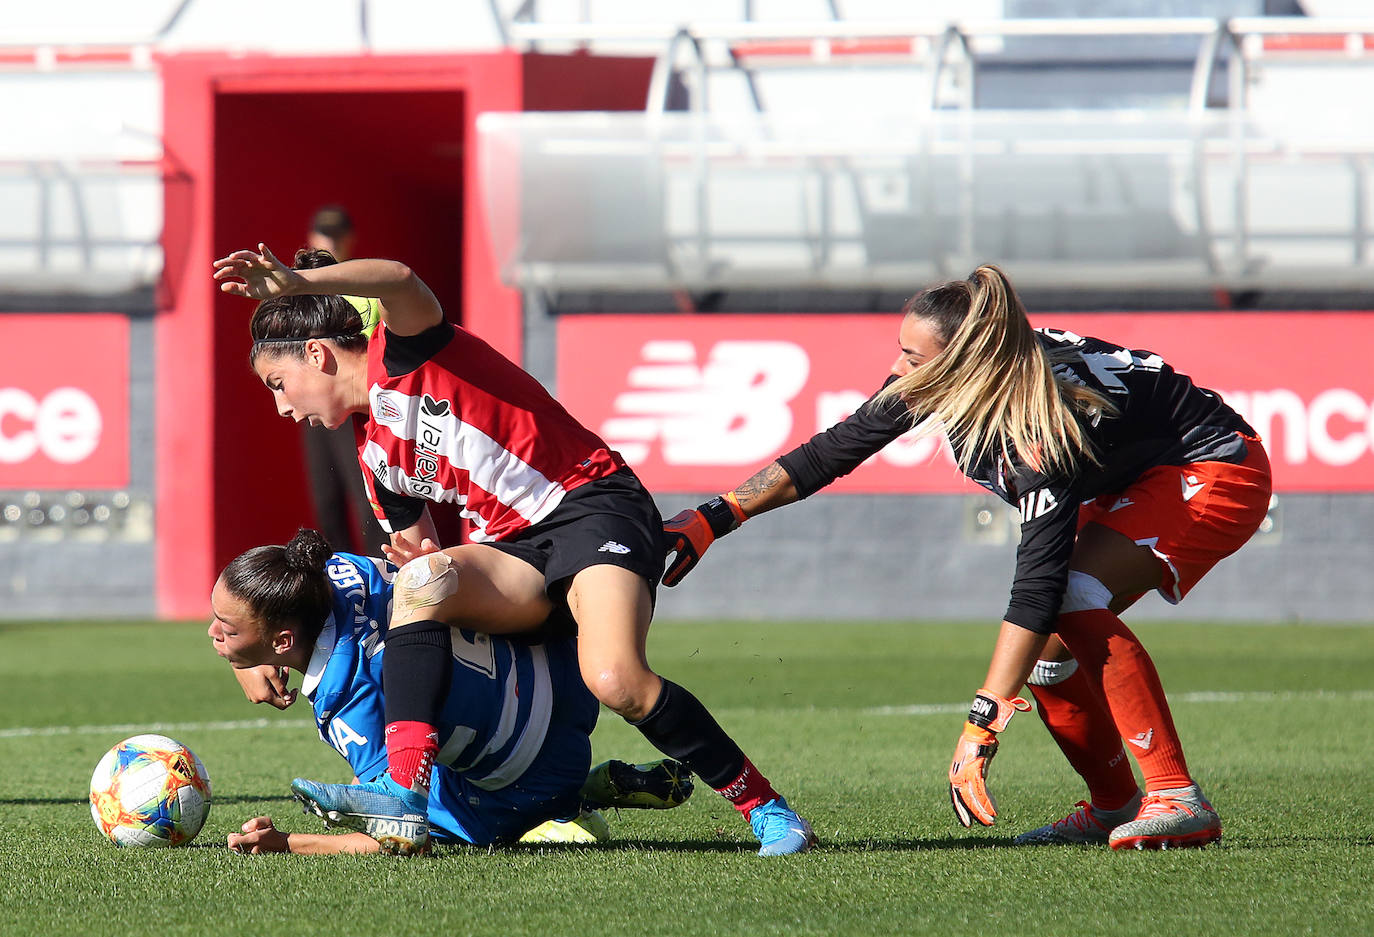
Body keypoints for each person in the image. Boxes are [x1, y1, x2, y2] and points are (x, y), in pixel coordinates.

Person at [211, 244, 814, 857]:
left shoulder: (409, 350)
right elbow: (424, 567)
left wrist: (295, 283)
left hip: (591, 506)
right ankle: (407, 796)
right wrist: (256, 651)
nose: (283, 407)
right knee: (421, 582)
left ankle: (768, 811)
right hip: (515, 556)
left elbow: (400, 276)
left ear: (317, 354)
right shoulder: (374, 459)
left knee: (617, 680)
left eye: (279, 384)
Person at [662, 264, 1272, 851]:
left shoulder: (1038, 430)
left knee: (1068, 598)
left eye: (913, 359)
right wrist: (716, 518)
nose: (897, 370)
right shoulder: (970, 368)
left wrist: (983, 720)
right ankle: (1115, 806)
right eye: (901, 351)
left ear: (961, 366)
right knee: (1046, 661)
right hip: (1135, 476)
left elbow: (1037, 586)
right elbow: (833, 451)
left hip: (1213, 467)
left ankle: (1175, 795)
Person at [210, 527, 694, 855]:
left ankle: (569, 804)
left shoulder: (347, 707)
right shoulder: (335, 571)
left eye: (226, 631)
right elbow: (271, 603)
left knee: (387, 798)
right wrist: (247, 656)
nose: (212, 634)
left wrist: (291, 842)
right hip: (563, 669)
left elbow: (406, 833)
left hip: (534, 775)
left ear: (284, 640)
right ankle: (580, 789)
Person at [299, 206, 388, 556]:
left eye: (336, 236)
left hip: (357, 406)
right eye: (324, 235)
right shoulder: (302, 291)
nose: (330, 243)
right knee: (326, 500)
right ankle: (341, 581)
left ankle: (383, 579)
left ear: (349, 239)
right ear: (311, 237)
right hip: (317, 406)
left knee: (368, 500)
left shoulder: (365, 287)